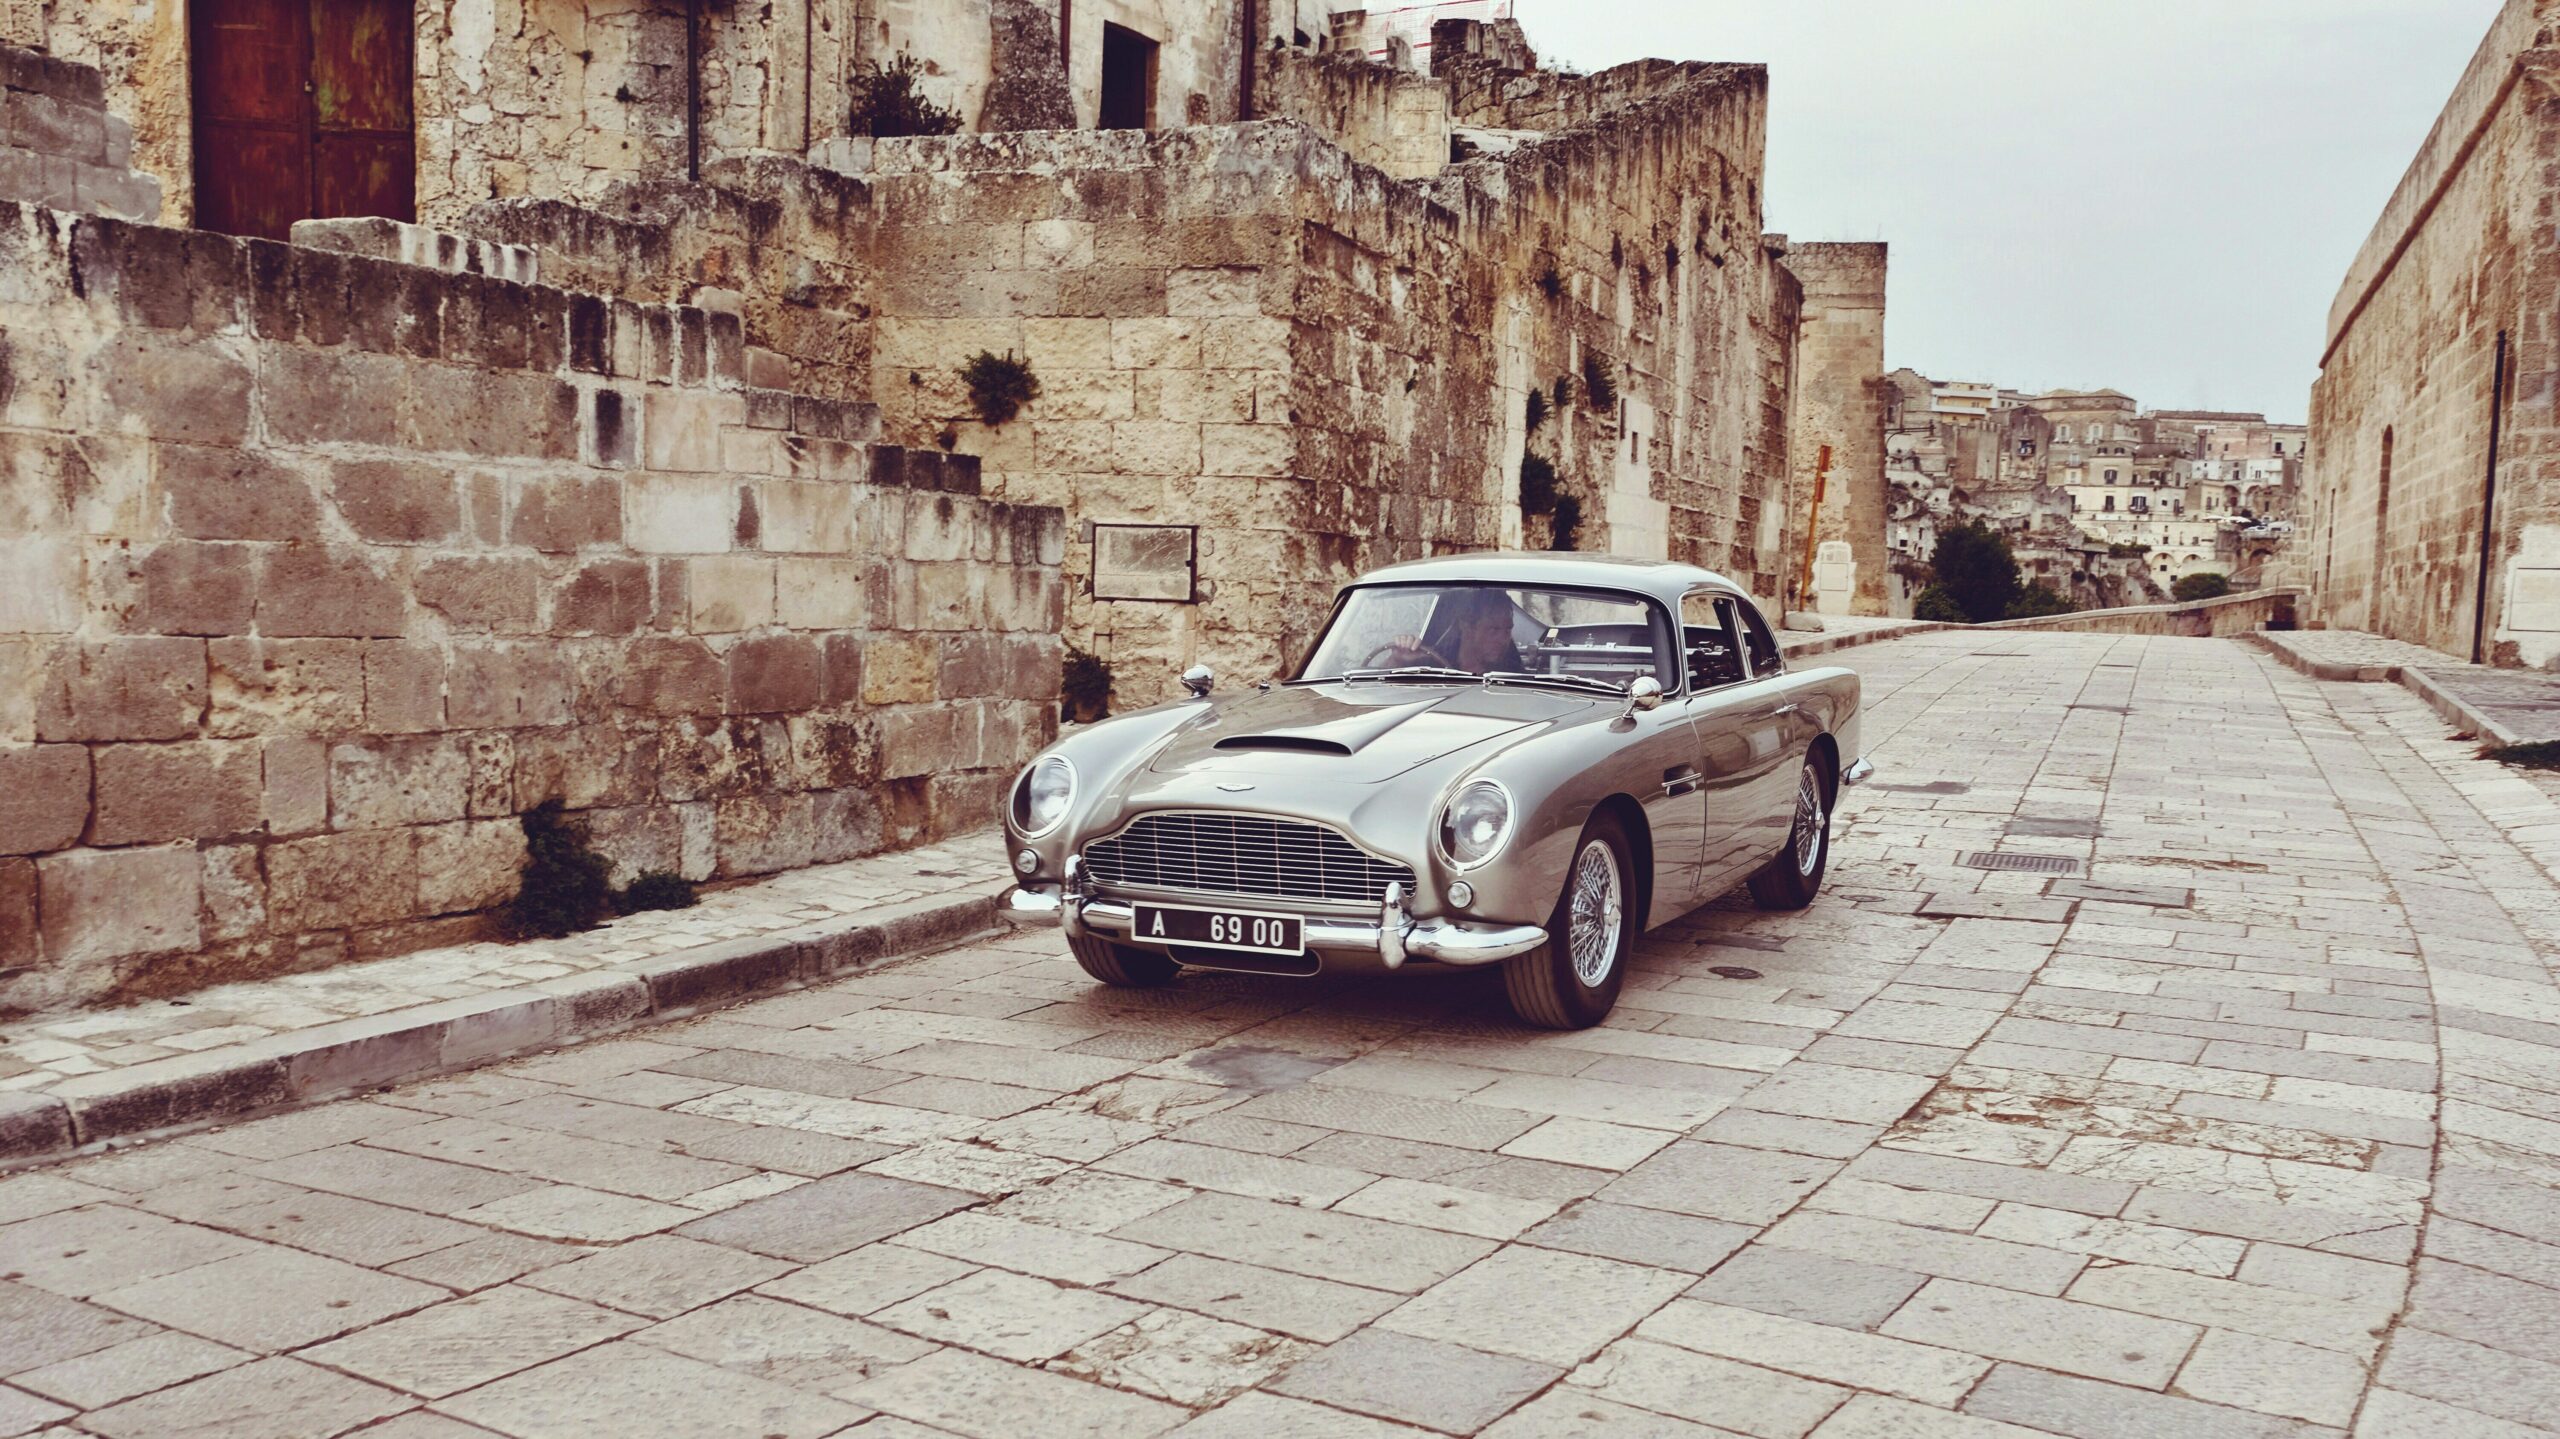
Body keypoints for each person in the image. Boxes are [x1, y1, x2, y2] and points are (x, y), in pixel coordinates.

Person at [1388, 589, 1523, 674]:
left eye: (1507, 630)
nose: (1503, 639)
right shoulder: (1431, 662)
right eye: (1493, 630)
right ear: (1466, 626)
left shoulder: (1511, 670)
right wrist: (1397, 659)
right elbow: (1383, 687)